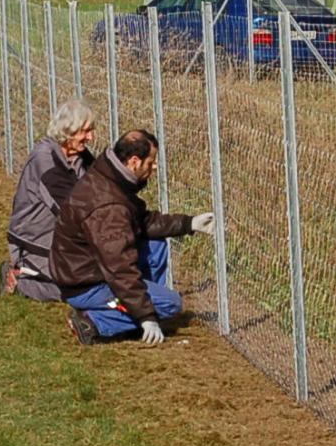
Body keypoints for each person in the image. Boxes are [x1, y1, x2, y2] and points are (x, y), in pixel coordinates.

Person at [50, 129, 214, 345]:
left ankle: (136, 308)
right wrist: (146, 315)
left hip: (82, 267)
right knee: (170, 304)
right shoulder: (109, 208)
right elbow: (119, 268)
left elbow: (142, 223)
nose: (154, 167)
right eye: (151, 161)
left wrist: (189, 223)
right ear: (134, 161)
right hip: (85, 283)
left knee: (156, 244)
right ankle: (94, 322)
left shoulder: (108, 175)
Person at [1, 98, 98, 301]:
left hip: (63, 236)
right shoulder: (46, 162)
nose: (91, 137)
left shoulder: (79, 155)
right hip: (35, 242)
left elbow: (103, 186)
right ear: (68, 131)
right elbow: (72, 210)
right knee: (83, 290)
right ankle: (21, 281)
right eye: (86, 131)